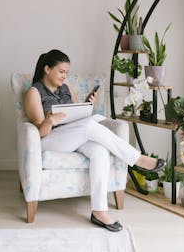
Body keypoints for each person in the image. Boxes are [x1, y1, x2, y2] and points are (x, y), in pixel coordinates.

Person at [24, 49, 165, 232]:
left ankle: (99, 212)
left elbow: (77, 116)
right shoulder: (34, 93)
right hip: (50, 140)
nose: (64, 76)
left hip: (73, 135)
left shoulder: (66, 89)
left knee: (99, 150)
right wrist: (49, 120)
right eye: (61, 71)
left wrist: (87, 104)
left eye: (67, 72)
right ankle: (137, 159)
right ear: (47, 69)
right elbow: (39, 133)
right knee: (91, 125)